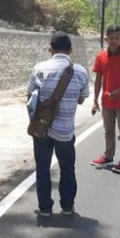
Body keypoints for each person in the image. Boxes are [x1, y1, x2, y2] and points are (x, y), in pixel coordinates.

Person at [27, 31, 89, 217]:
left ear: (50, 49)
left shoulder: (39, 68)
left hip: (42, 128)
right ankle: (67, 206)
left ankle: (45, 209)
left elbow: (30, 96)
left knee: (43, 169)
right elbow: (82, 98)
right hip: (66, 131)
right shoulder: (80, 71)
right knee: (67, 169)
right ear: (70, 50)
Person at [90, 26, 120, 174]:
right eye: (111, 38)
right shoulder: (100, 57)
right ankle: (108, 156)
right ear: (106, 39)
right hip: (107, 101)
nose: (114, 41)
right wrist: (95, 100)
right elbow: (98, 80)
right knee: (108, 131)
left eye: (116, 38)